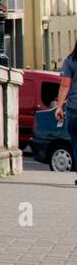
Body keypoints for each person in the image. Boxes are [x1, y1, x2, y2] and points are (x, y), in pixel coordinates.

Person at [55, 40, 77, 186]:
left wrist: (59, 107)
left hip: (74, 107)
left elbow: (65, 84)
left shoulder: (71, 60)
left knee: (76, 143)